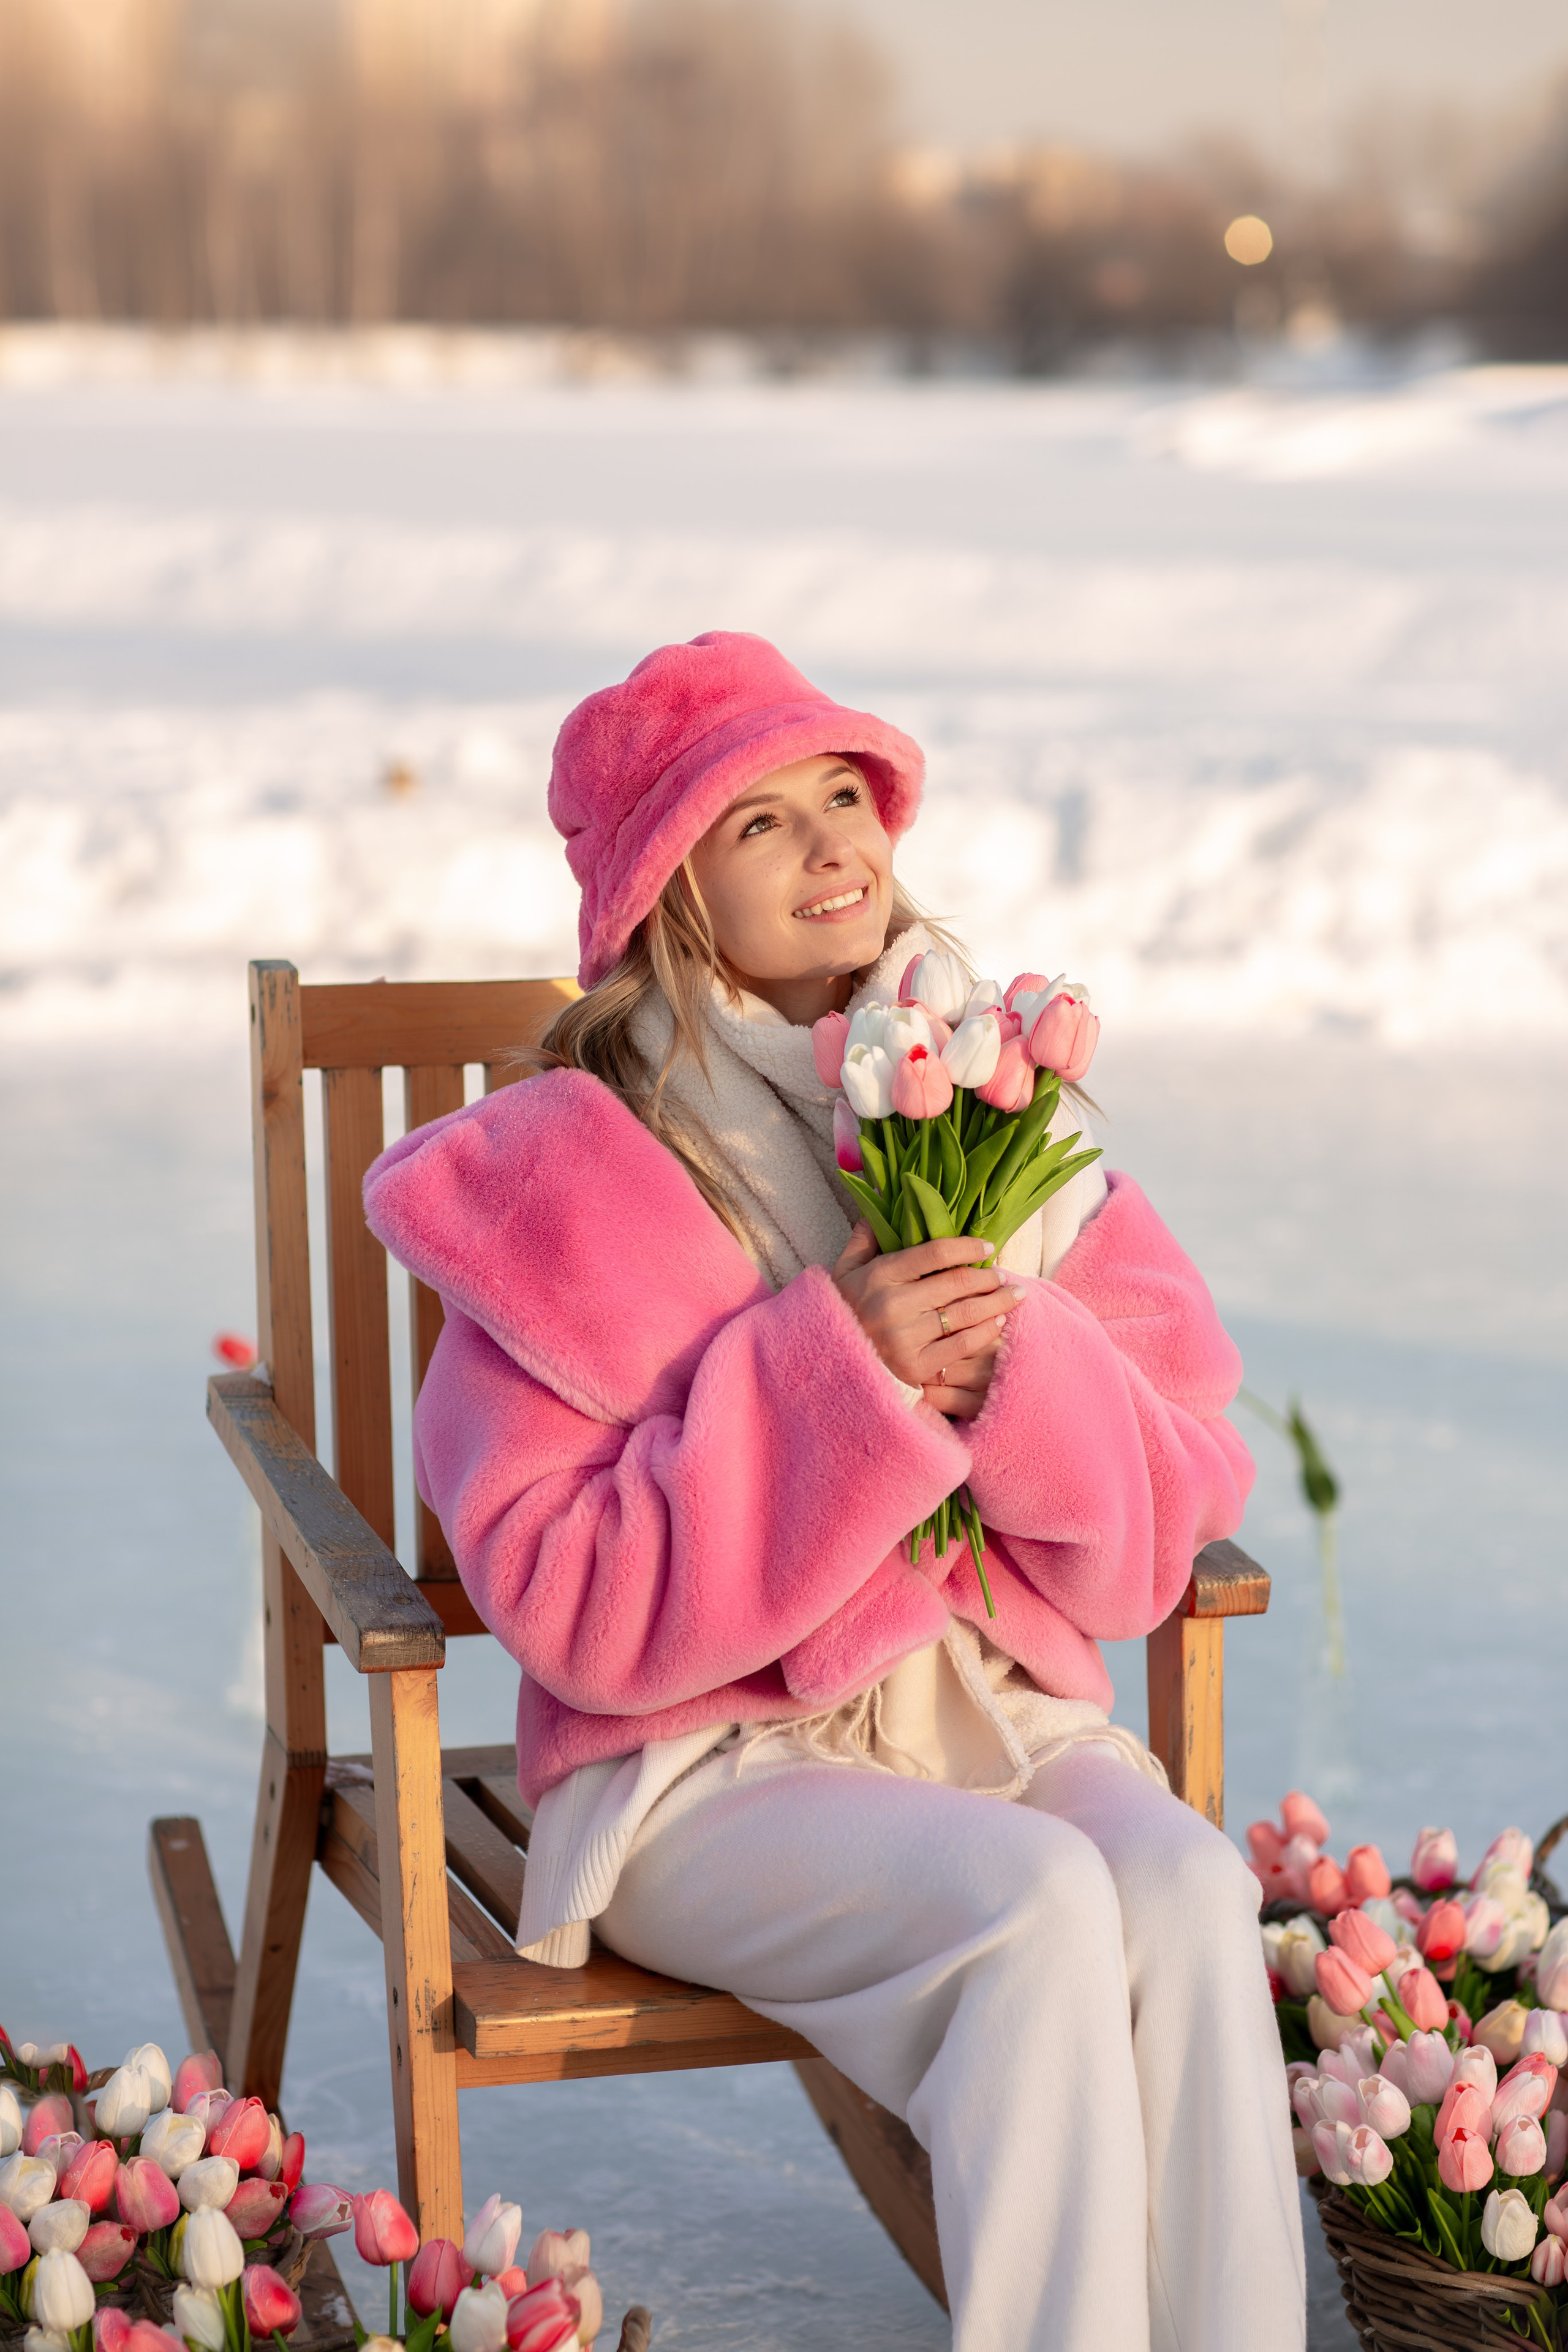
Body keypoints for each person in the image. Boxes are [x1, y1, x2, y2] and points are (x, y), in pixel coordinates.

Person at [365, 631, 1306, 2351]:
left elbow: (1179, 1495)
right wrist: (840, 1389)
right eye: (758, 820)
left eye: (847, 794)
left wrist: (1019, 1371)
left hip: (979, 1718)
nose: (830, 842)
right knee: (1027, 1915)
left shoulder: (1002, 1112)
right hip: (699, 1767)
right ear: (665, 886)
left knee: (1177, 1888)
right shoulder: (569, 1174)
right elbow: (564, 1590)